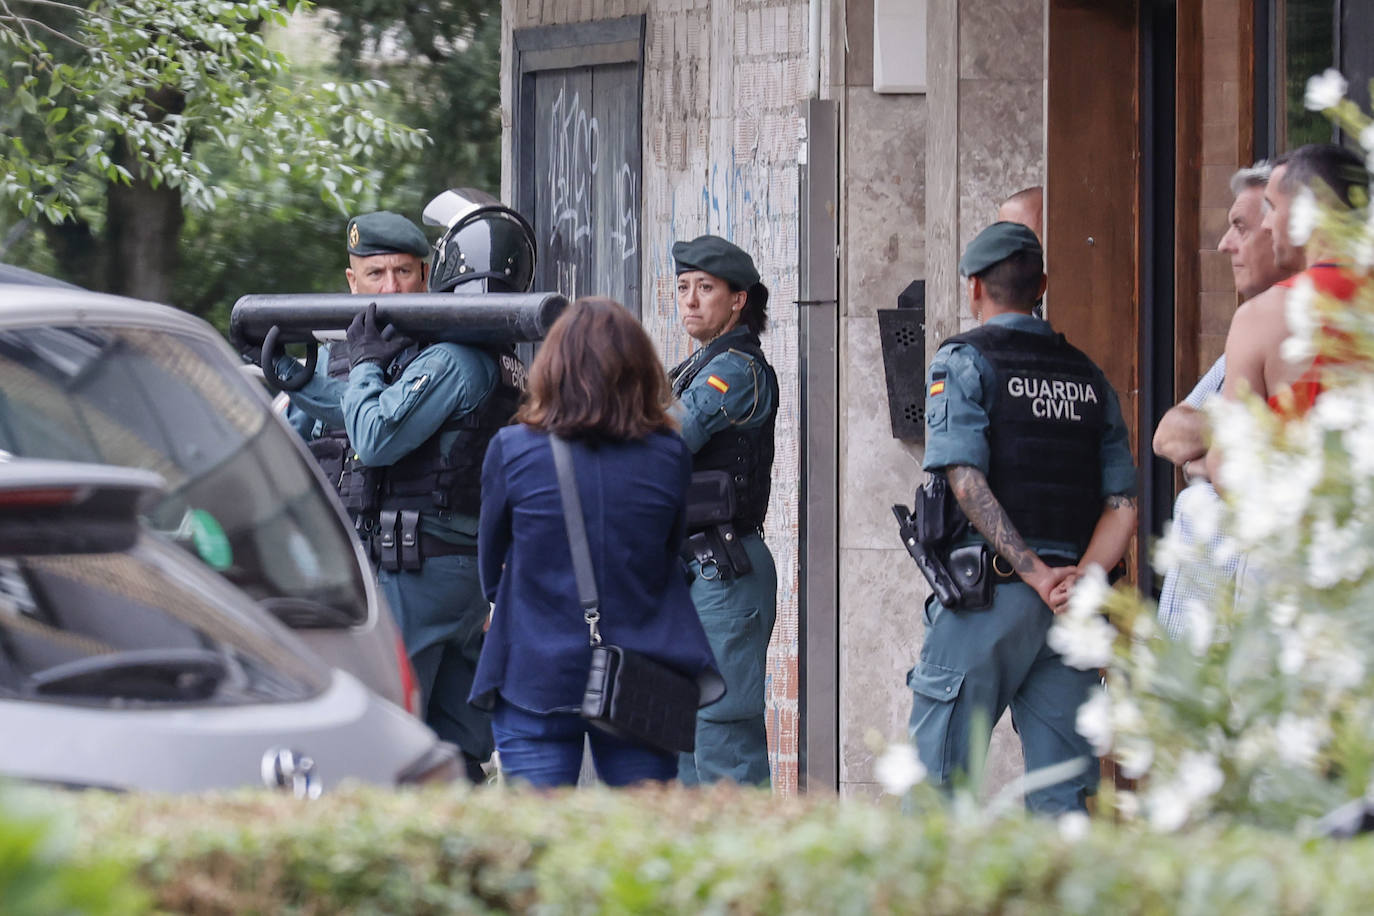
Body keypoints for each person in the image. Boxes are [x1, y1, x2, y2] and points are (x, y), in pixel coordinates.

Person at [263, 200, 537, 785]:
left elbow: (375, 432)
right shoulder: (486, 353)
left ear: (434, 273)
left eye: (405, 272)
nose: (391, 288)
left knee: (385, 733)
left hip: (417, 564)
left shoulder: (451, 355)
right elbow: (374, 412)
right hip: (456, 568)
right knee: (453, 746)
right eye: (376, 273)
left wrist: (362, 364)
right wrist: (304, 380)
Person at [907, 221, 1137, 814]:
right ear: (1042, 286)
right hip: (1073, 612)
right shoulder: (1089, 377)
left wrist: (1034, 572)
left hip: (990, 597)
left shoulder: (963, 362)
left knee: (938, 790)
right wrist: (1081, 578)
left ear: (975, 287)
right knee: (1062, 803)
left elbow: (965, 480)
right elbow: (1122, 505)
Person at [471, 297, 725, 788]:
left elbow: (490, 563)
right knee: (640, 843)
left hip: (535, 669)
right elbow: (670, 547)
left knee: (539, 837)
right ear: (638, 371)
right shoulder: (668, 453)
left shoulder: (513, 449)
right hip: (640, 671)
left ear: (552, 368)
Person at [1152, 162, 1295, 637]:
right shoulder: (1249, 330)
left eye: (1240, 227)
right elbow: (1168, 436)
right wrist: (1237, 429)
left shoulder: (1330, 327)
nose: (1223, 245)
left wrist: (1211, 455)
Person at [667, 234, 779, 788]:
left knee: (723, 740)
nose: (689, 300)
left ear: (738, 300)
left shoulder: (735, 369)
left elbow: (665, 441)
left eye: (705, 289)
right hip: (689, 569)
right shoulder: (691, 367)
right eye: (683, 287)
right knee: (683, 740)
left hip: (723, 571)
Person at [1203, 143, 1369, 484]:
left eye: (1272, 208)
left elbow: (1228, 468)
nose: (1265, 224)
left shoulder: (1261, 318)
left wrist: (1197, 468)